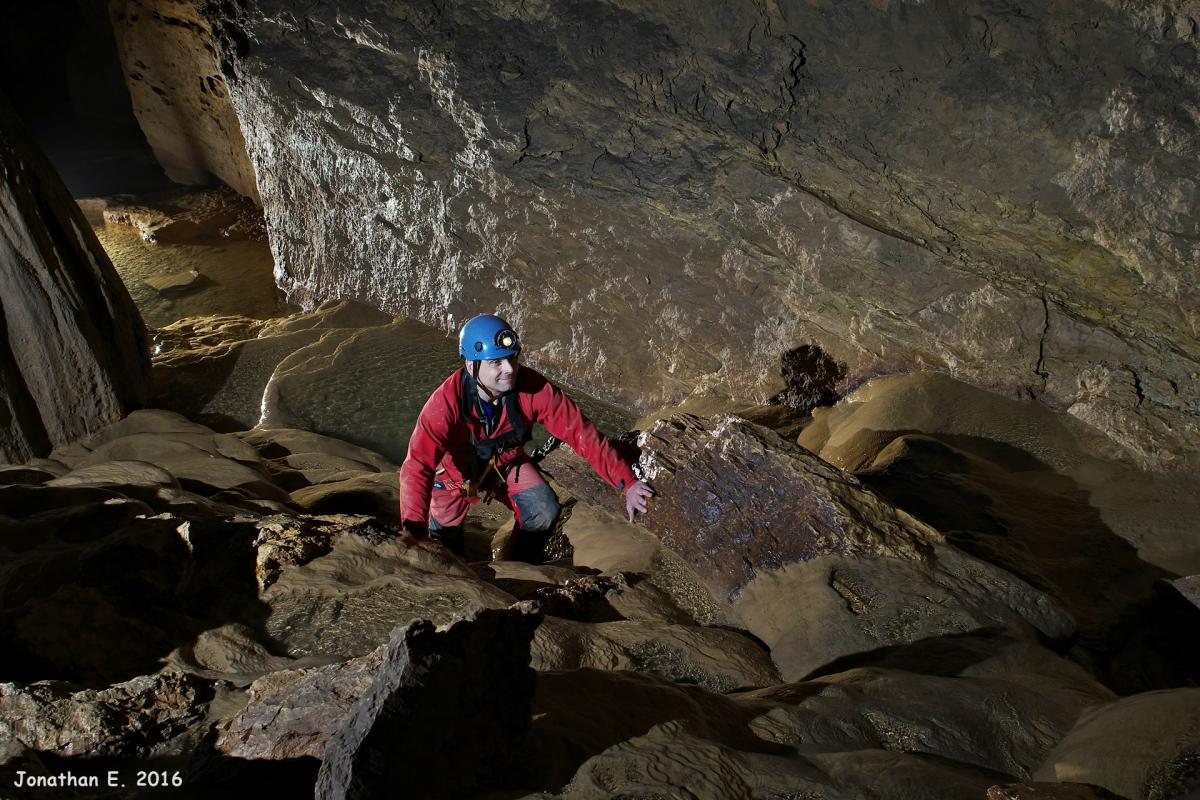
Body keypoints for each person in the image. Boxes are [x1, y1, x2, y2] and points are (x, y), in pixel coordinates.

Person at [399, 313, 654, 562]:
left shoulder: (532, 388)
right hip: (455, 480)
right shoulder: (446, 403)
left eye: (511, 358)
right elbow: (417, 466)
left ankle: (517, 567)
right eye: (496, 363)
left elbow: (581, 432)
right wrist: (413, 530)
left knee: (544, 511)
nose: (509, 368)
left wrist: (628, 482)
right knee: (443, 547)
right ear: (471, 365)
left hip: (505, 466)